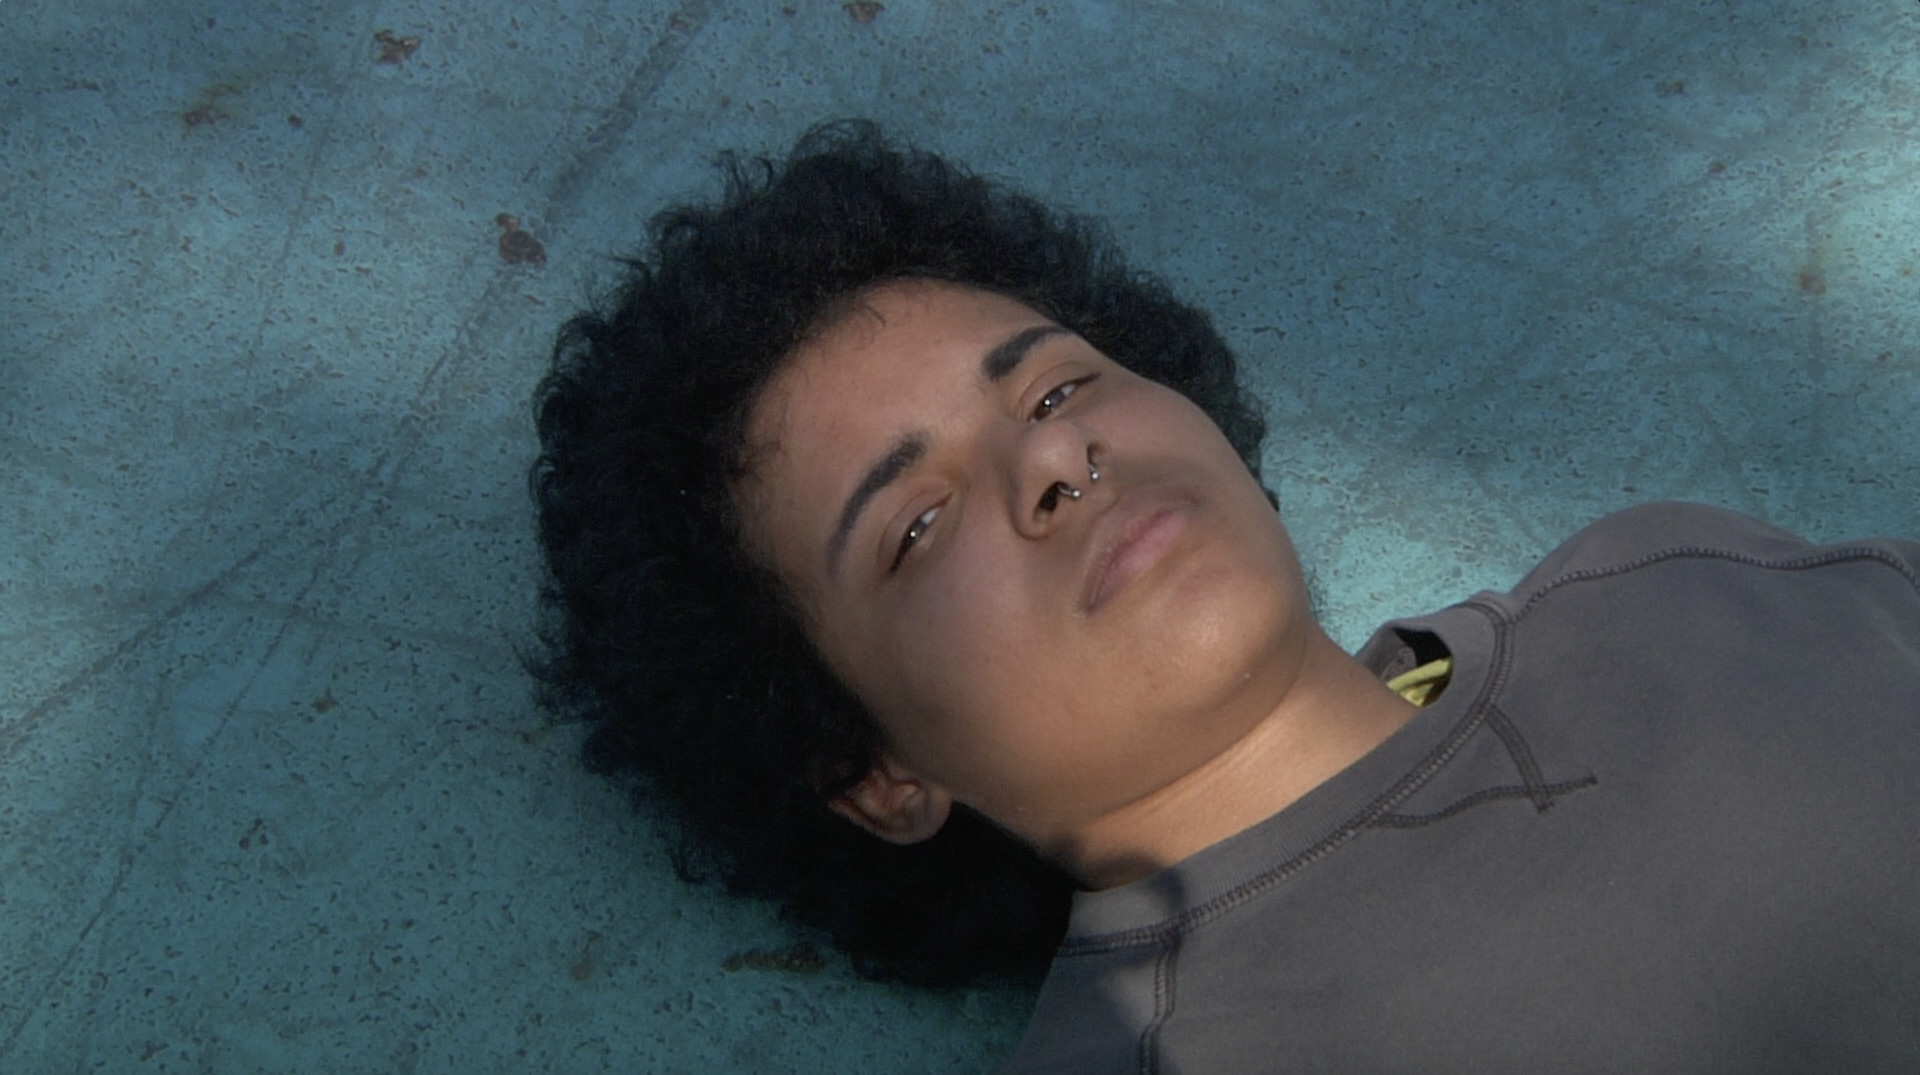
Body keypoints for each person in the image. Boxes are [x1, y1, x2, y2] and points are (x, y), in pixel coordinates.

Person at [528, 121, 1920, 1071]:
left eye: (1055, 387)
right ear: (874, 776)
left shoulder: (1675, 576)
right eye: (919, 523)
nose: (1055, 461)